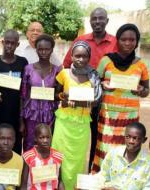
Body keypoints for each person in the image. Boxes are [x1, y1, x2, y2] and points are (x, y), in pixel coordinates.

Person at [62, 7, 118, 171]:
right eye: (94, 18)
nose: (97, 22)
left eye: (101, 18)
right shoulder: (81, 40)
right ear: (90, 21)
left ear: (107, 21)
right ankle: (71, 169)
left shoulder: (115, 42)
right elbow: (66, 66)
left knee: (100, 136)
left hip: (105, 98)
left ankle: (94, 171)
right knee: (78, 134)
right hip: (79, 97)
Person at [92, 24, 150, 172]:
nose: (128, 43)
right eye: (124, 39)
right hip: (108, 117)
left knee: (126, 151)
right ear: (117, 40)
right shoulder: (106, 61)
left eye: (132, 39)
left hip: (129, 117)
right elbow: (93, 82)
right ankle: (102, 182)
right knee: (106, 150)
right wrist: (102, 84)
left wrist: (141, 90)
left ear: (137, 41)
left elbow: (146, 90)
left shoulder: (142, 64)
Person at [52, 40, 102, 190]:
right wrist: (64, 97)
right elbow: (55, 94)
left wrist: (76, 103)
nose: (81, 59)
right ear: (71, 56)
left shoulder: (93, 76)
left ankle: (74, 187)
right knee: (59, 155)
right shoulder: (64, 73)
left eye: (84, 56)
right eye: (77, 56)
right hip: (64, 122)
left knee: (78, 159)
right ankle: (58, 185)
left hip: (82, 124)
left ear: (89, 57)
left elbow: (96, 101)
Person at [0, 29, 28, 154]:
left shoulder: (23, 62)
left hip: (15, 116)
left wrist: (22, 120)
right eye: (7, 42)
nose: (9, 46)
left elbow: (24, 92)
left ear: (17, 44)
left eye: (13, 43)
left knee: (14, 150)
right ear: (3, 42)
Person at [21, 34, 61, 151]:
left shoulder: (57, 70)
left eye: (47, 49)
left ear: (52, 50)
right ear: (36, 50)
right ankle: (28, 170)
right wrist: (21, 120)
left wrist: (58, 96)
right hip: (31, 115)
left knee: (46, 146)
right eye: (40, 49)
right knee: (29, 145)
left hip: (49, 115)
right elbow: (23, 96)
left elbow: (58, 95)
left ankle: (45, 169)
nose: (43, 52)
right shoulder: (28, 69)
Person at [98, 122, 150, 190]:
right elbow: (103, 176)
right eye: (128, 137)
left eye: (135, 138)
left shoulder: (148, 163)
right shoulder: (113, 154)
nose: (131, 141)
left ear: (144, 140)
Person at [21, 124, 64, 190]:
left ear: (51, 137)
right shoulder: (28, 157)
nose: (45, 141)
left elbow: (60, 180)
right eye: (41, 137)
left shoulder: (57, 156)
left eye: (48, 137)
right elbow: (24, 184)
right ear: (35, 138)